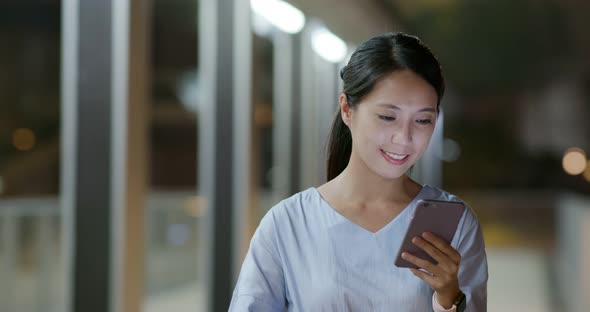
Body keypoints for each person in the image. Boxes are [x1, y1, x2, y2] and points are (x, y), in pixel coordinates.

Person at [229, 32, 488, 311]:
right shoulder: (288, 223)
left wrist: (450, 298)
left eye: (423, 120)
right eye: (388, 117)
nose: (404, 137)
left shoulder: (456, 225)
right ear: (347, 109)